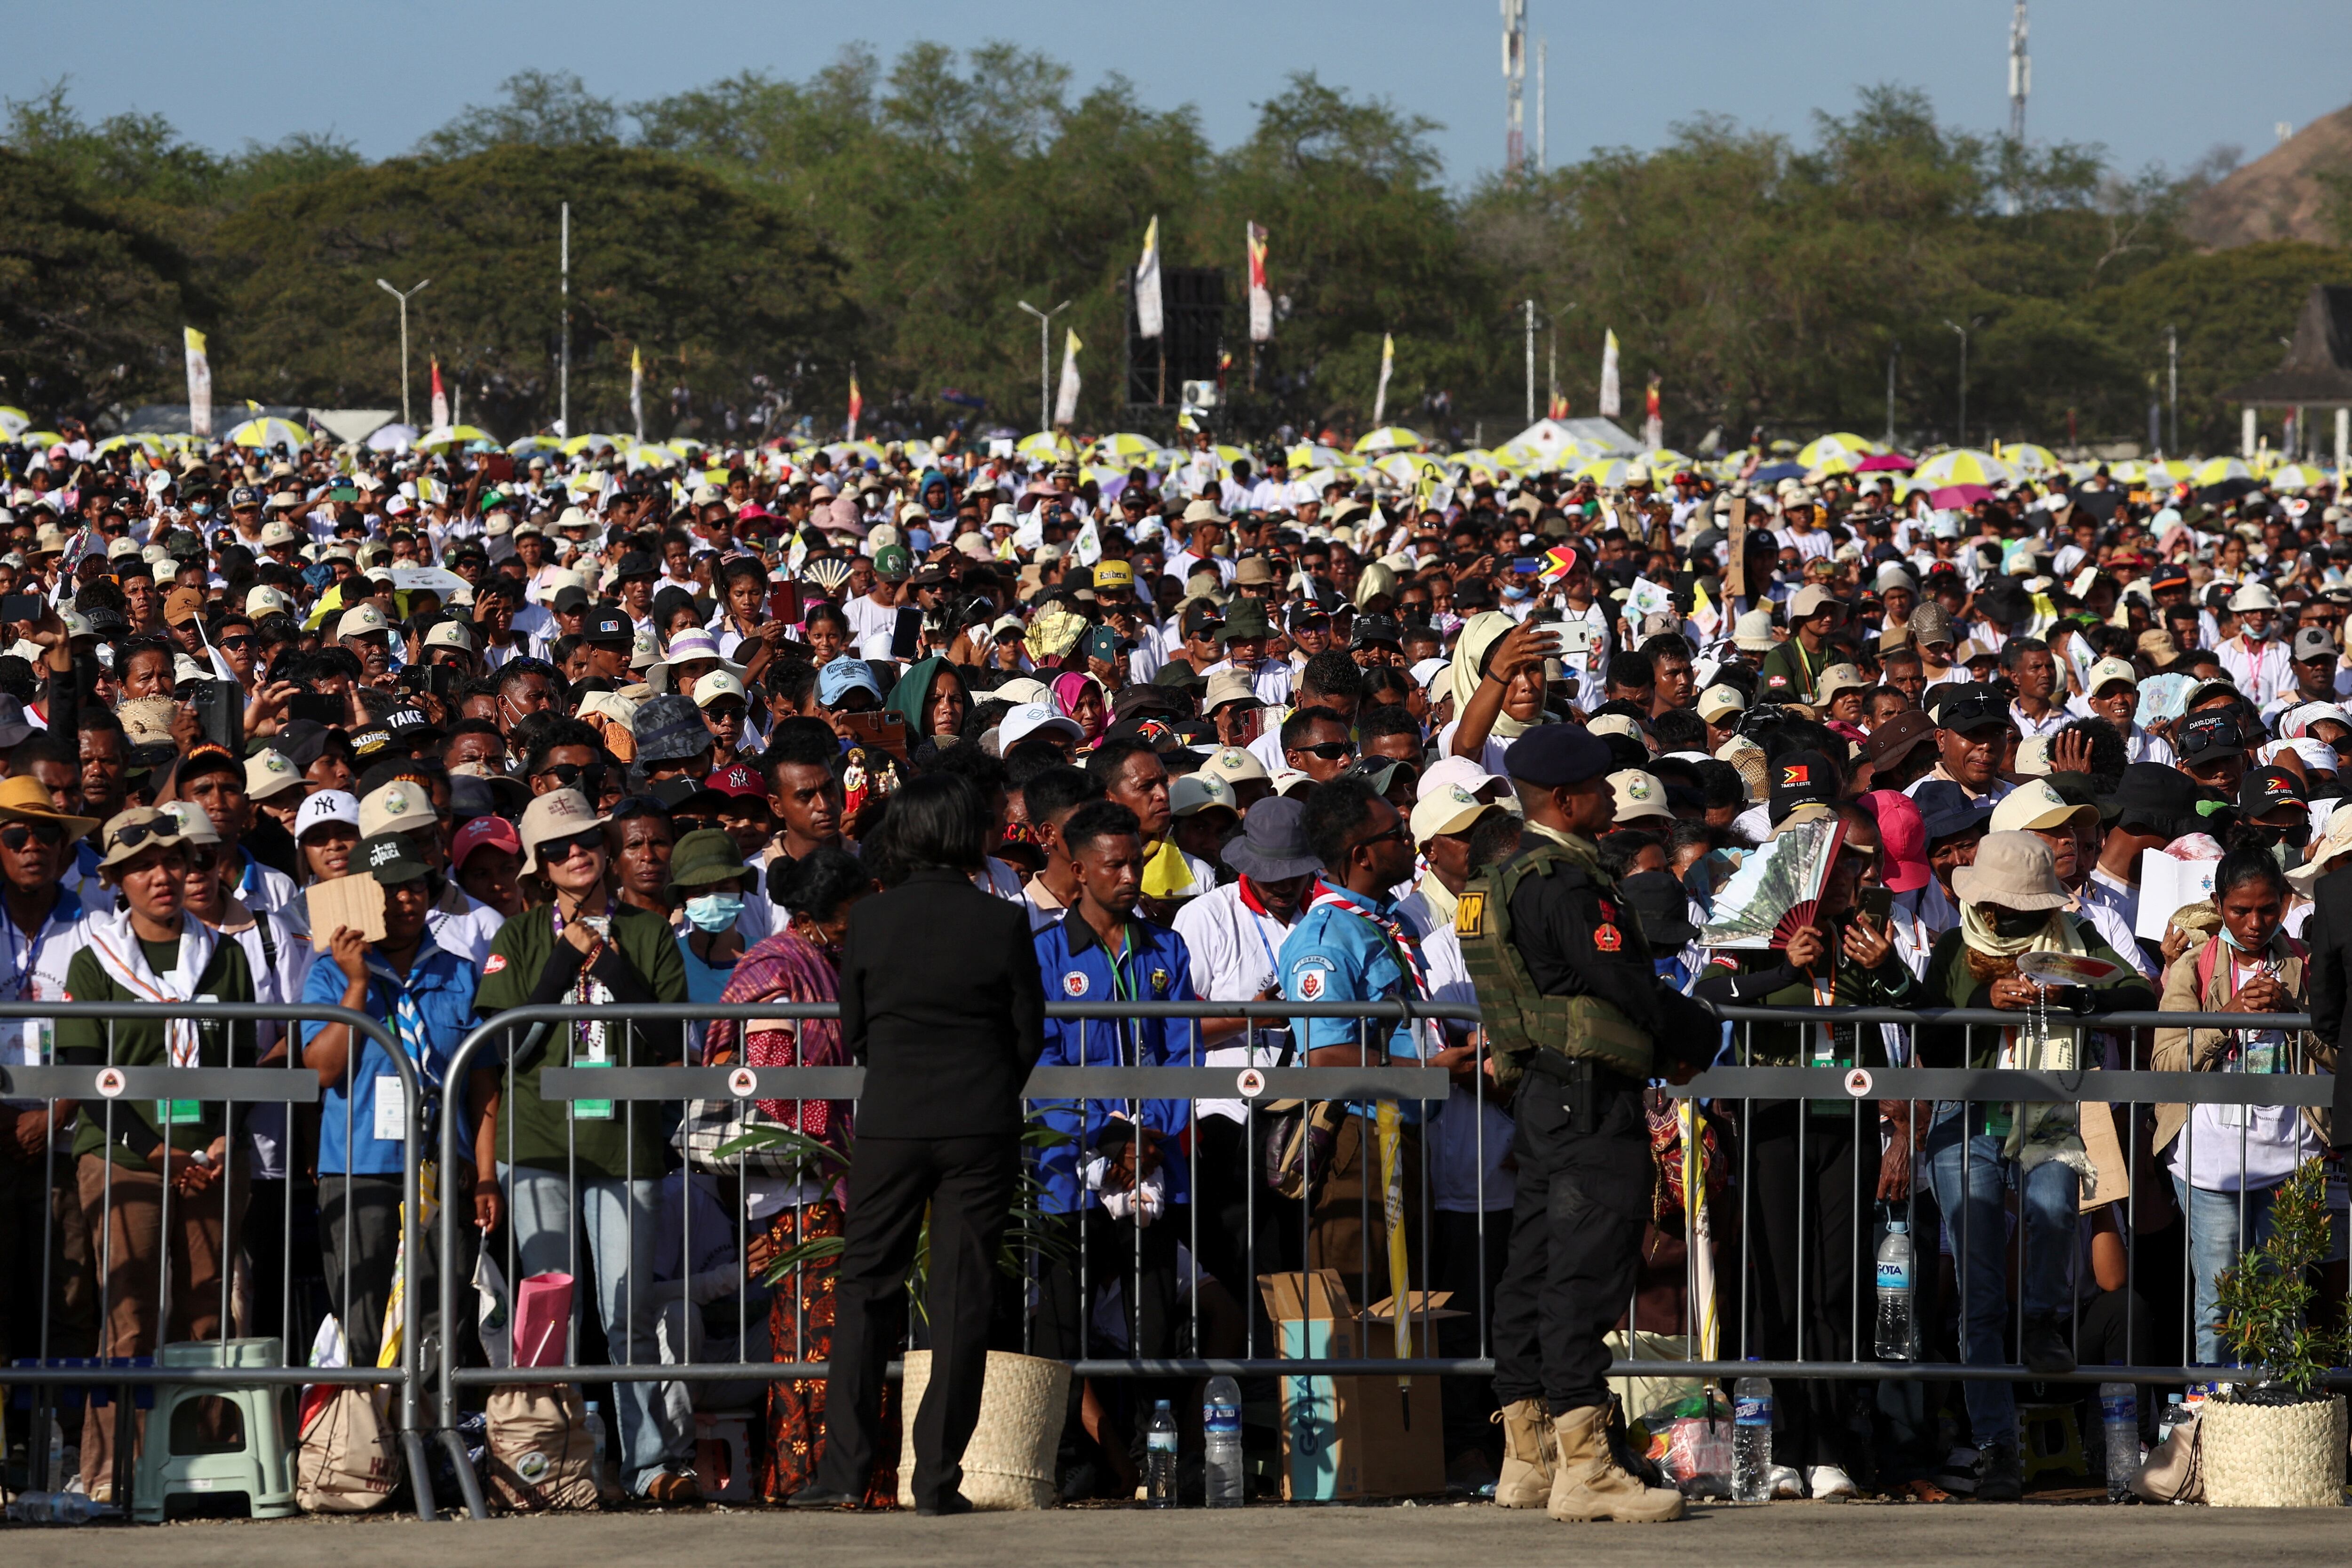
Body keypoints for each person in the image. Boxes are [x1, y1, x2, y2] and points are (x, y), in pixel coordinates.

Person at [1457, 723, 1717, 1524]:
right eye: (1602, 787)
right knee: (1586, 1265)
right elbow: (1621, 979)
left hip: (1544, 1093)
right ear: (1565, 800)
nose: (1612, 798)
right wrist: (1692, 1031)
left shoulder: (1510, 875)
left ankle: (1529, 1453)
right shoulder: (1566, 883)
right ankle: (1585, 1463)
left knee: (1535, 1263)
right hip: (1586, 1099)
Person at [794, 772, 1045, 1516]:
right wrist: (987, 1081)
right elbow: (1028, 1033)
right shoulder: (1001, 922)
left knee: (866, 1288)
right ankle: (936, 1478)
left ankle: (845, 1472)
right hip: (980, 1122)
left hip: (892, 1121)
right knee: (962, 1299)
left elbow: (855, 1028)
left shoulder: (869, 921)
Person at [470, 787, 699, 1504]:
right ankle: (555, 1465)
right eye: (559, 848)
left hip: (624, 1144)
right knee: (551, 1314)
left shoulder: (651, 932)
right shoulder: (517, 937)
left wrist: (605, 961)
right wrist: (560, 965)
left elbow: (670, 1040)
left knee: (627, 1312)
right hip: (536, 1143)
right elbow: (502, 1048)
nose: (577, 854)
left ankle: (650, 1464)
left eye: (587, 841)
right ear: (539, 865)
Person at [1909, 831, 2153, 1500]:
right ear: (1982, 902)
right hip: (1969, 1122)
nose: (2012, 919)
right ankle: (1995, 1447)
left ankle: (2045, 1318)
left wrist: (2078, 998)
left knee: (2051, 1211)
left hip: (2047, 1110)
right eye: (2004, 909)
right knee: (1980, 1290)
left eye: (2025, 908)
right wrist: (1986, 1011)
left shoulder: (2074, 934)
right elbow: (1927, 1032)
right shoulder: (1954, 947)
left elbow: (2139, 991)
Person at [58, 808, 261, 1500]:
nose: (162, 875)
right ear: (116, 879)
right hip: (122, 1156)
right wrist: (153, 1149)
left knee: (208, 1314)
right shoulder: (92, 961)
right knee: (129, 1317)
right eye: (142, 864)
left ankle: (198, 1469)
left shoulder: (226, 954)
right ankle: (114, 1473)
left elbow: (241, 1063)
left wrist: (220, 1138)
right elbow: (84, 1072)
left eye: (174, 860)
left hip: (209, 1154)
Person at [701, 847, 885, 1505]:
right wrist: (828, 1142)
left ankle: (843, 1477)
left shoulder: (830, 964)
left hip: (837, 1177)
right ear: (824, 913)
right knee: (813, 1338)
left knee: (836, 1335)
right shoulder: (778, 967)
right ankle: (806, 1476)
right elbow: (775, 1086)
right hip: (798, 1185)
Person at [2153, 839, 2336, 1364]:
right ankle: (2213, 1419)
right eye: (2239, 911)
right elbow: (2165, 1060)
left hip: (2290, 1156)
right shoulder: (2192, 967)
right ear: (2217, 906)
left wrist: (2293, 1013)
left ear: (2282, 902)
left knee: (2282, 1299)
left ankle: (2276, 1422)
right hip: (2209, 1162)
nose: (2254, 923)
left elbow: (2336, 1052)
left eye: (2265, 909)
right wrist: (2228, 1015)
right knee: (2218, 1299)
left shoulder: (2305, 965)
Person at [301, 831, 477, 1370]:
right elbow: (323, 1068)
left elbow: (482, 1078)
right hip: (360, 1166)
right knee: (363, 1310)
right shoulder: (329, 973)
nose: (406, 899)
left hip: (440, 1166)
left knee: (439, 1314)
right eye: (388, 889)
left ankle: (430, 1433)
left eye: (417, 886)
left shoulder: (460, 970)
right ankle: (367, 1443)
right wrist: (356, 984)